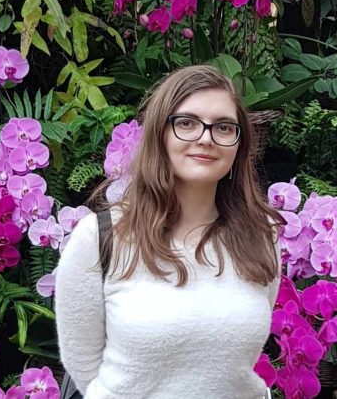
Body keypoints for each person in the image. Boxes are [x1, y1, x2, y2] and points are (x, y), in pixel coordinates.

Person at [54, 65, 282, 398]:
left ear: (238, 145)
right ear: (159, 134)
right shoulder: (100, 238)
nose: (206, 138)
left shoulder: (260, 237)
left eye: (223, 127)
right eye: (187, 123)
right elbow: (84, 367)